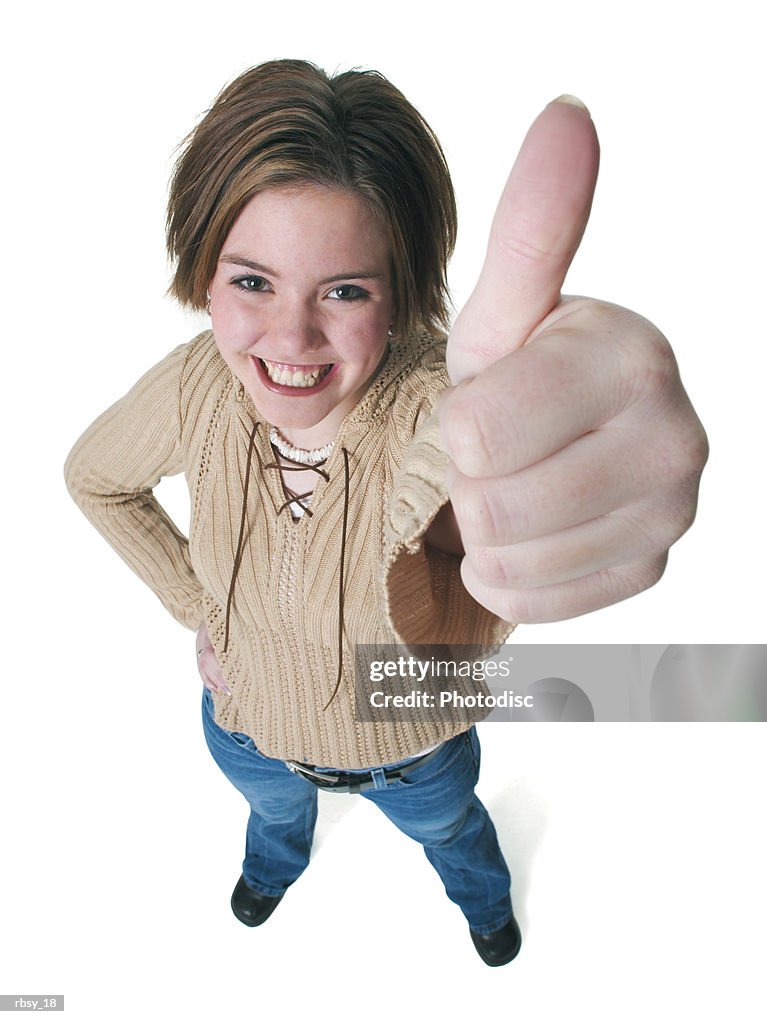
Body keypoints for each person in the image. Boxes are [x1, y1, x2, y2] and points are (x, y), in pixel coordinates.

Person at [63, 59, 707, 967]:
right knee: (271, 817)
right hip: (243, 729)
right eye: (252, 282)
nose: (290, 340)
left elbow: (486, 489)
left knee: (453, 835)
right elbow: (96, 479)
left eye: (345, 290)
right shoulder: (191, 391)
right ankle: (274, 867)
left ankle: (484, 904)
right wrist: (203, 608)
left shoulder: (444, 407)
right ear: (204, 270)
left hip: (415, 748)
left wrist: (576, 432)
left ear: (400, 293)